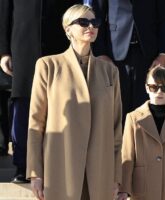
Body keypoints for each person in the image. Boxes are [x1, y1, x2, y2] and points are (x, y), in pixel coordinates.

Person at [26, 4, 122, 200]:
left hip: (100, 171)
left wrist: (116, 177)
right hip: (61, 168)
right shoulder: (48, 66)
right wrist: (35, 172)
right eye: (83, 22)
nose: (90, 26)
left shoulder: (109, 71)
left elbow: (116, 127)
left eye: (94, 22)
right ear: (67, 29)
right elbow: (36, 124)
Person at [0, 0, 85, 183]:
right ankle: (23, 167)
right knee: (23, 110)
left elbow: (77, 12)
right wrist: (3, 52)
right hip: (23, 51)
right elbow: (4, 15)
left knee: (59, 110)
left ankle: (54, 164)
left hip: (58, 50)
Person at [118, 66, 165, 200]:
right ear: (146, 88)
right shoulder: (133, 117)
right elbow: (127, 156)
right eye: (153, 87)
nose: (159, 92)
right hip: (140, 189)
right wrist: (123, 189)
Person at [95, 0, 165, 124]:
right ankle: (118, 143)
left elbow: (164, 17)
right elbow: (96, 15)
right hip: (114, 55)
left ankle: (142, 142)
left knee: (145, 108)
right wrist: (101, 53)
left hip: (148, 55)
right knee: (116, 107)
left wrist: (164, 54)